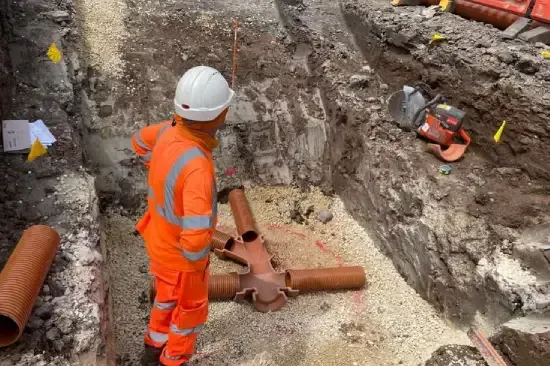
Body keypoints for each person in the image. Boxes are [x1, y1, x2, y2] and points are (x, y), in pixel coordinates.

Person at [131, 66, 234, 366]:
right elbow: (197, 233)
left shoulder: (167, 131)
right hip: (182, 259)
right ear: (217, 116)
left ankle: (153, 347)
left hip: (159, 243)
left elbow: (138, 141)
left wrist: (157, 170)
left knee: (165, 300)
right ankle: (173, 359)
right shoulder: (197, 167)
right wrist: (199, 266)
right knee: (189, 312)